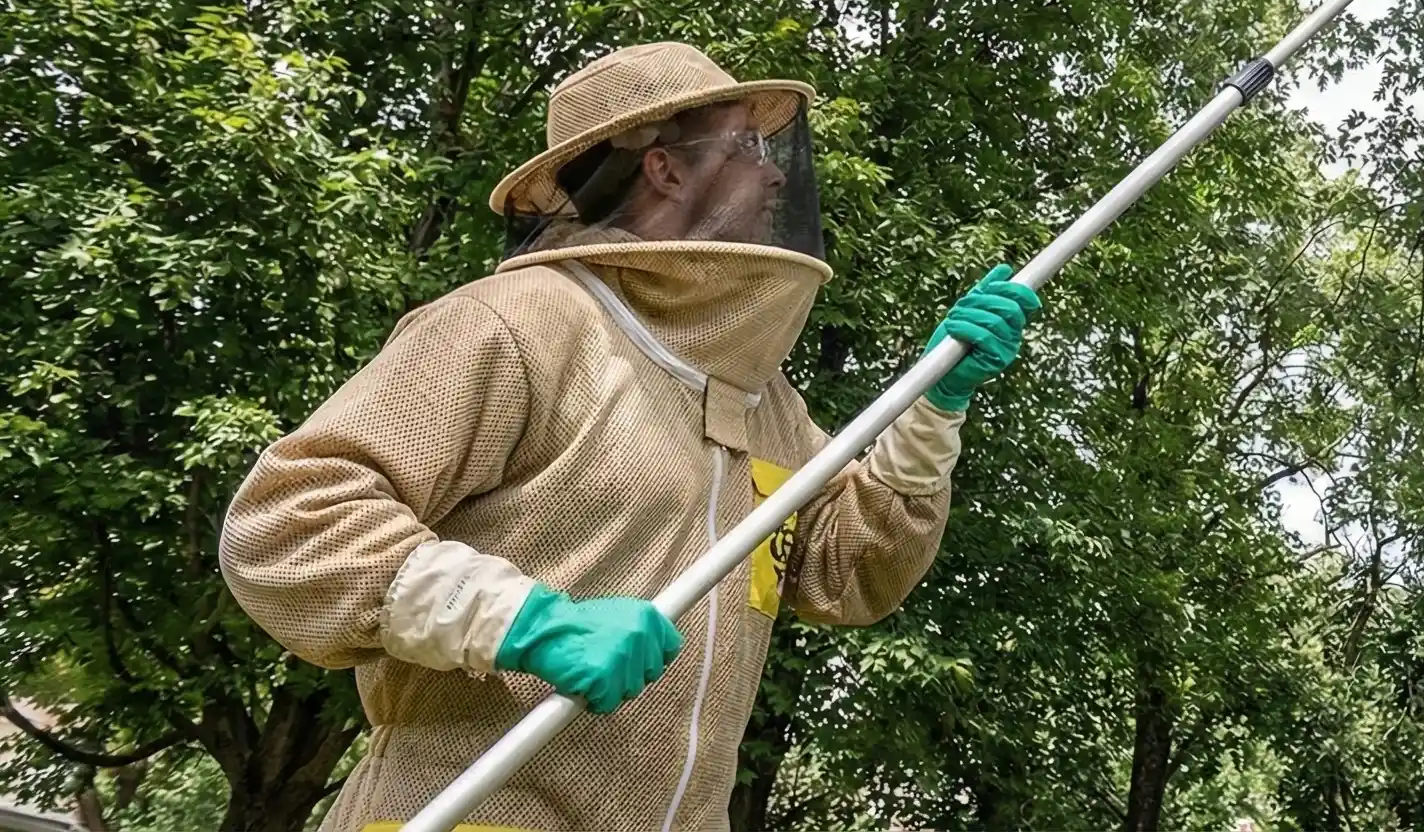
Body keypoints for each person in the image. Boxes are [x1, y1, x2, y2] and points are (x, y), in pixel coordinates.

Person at [221, 42, 1038, 832]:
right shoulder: (518, 325)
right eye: (748, 146)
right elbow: (289, 521)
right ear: (665, 169)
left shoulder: (764, 400)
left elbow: (846, 572)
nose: (775, 172)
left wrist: (933, 405)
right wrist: (528, 623)